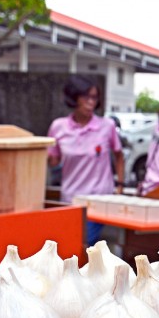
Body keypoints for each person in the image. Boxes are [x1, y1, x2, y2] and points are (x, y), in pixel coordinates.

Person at [47, 75, 124, 246]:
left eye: (94, 98)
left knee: (83, 242)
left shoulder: (107, 126)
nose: (91, 103)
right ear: (73, 98)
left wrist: (120, 184)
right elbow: (54, 160)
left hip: (100, 200)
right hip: (70, 200)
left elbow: (119, 155)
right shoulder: (58, 127)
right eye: (86, 97)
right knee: (70, 247)